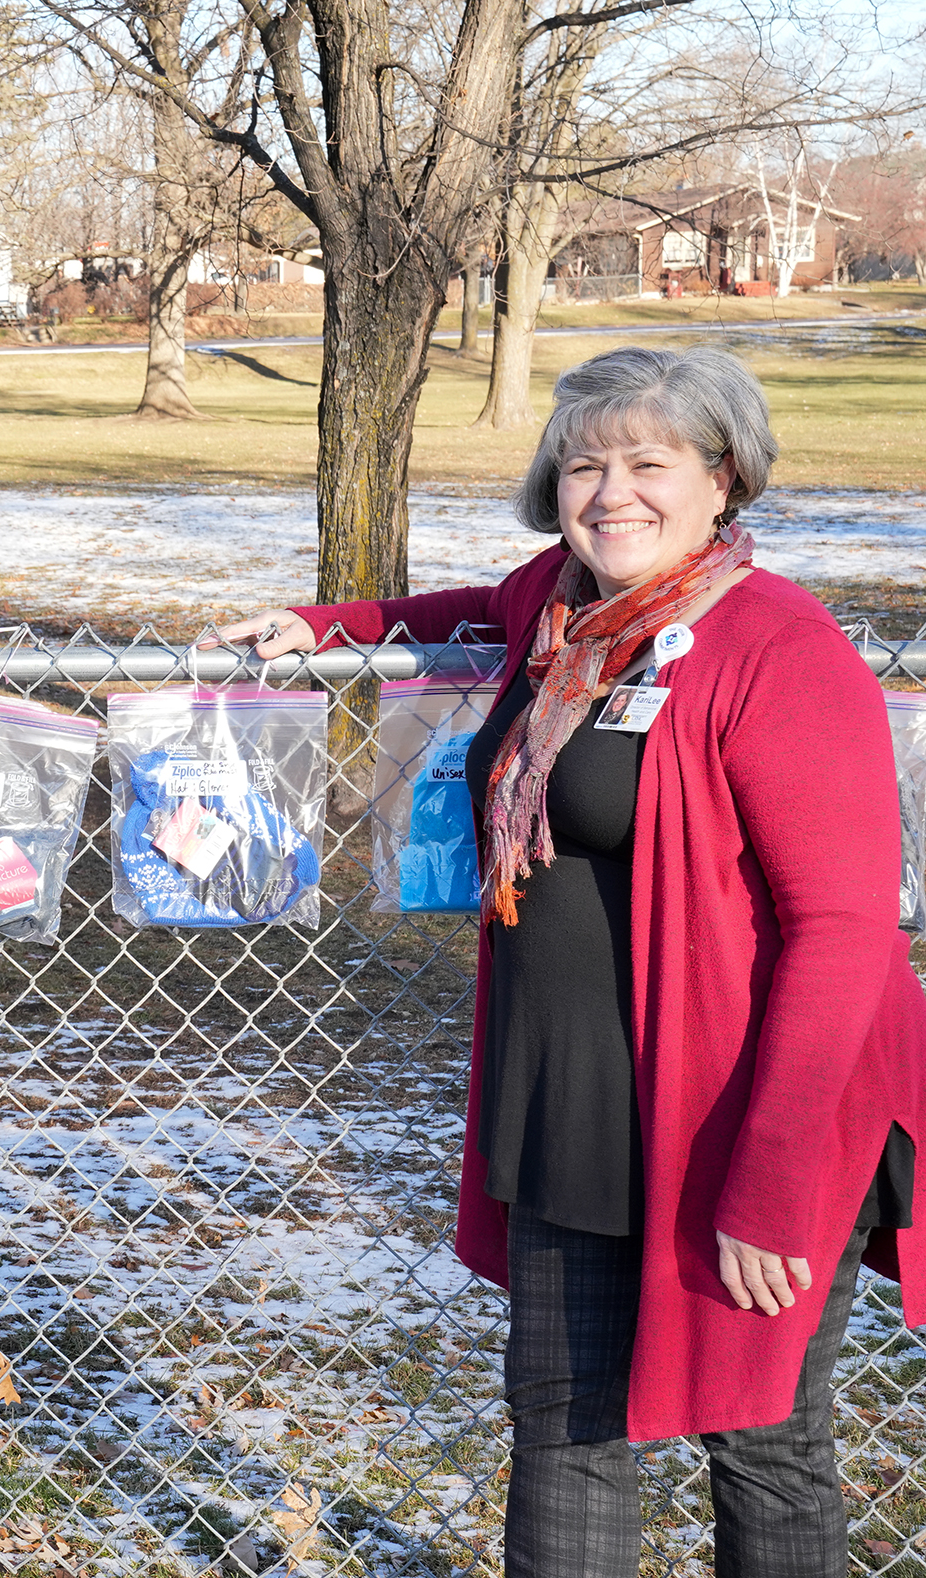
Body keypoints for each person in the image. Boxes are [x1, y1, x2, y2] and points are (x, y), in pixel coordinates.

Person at [215, 344, 923, 1575]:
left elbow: (845, 935)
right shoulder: (562, 610)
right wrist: (334, 625)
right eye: (584, 465)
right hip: (576, 1103)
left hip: (753, 1111)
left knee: (756, 1438)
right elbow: (455, 614)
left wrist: (769, 1182)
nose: (613, 495)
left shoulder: (779, 651)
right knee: (563, 1428)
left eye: (650, 464)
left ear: (723, 479)